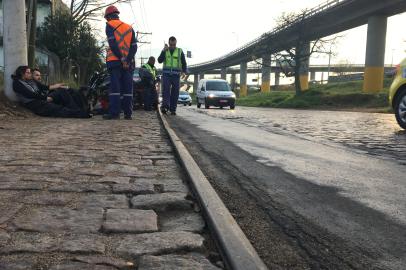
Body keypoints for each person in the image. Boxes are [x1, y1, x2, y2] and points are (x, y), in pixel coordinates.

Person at [12, 66, 90, 118]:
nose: (30, 74)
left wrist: (57, 86)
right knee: (58, 109)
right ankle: (82, 113)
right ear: (22, 73)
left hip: (41, 99)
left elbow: (45, 87)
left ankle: (80, 110)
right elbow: (30, 95)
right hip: (35, 104)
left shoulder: (30, 81)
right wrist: (46, 98)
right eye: (28, 73)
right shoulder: (17, 84)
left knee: (62, 91)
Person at [103, 5, 137, 120]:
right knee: (128, 88)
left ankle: (115, 113)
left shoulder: (109, 25)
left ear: (108, 17)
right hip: (128, 63)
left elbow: (113, 44)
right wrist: (127, 59)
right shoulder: (129, 27)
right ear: (117, 15)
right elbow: (134, 47)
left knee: (115, 88)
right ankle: (128, 114)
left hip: (115, 62)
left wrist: (121, 58)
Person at [158, 36, 187, 115]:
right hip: (166, 75)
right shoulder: (165, 51)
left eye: (174, 45)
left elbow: (184, 63)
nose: (172, 46)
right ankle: (165, 107)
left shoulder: (179, 51)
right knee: (166, 91)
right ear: (169, 43)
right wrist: (163, 51)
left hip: (176, 76)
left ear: (176, 43)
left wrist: (184, 71)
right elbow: (159, 60)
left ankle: (173, 109)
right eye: (171, 45)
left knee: (175, 93)